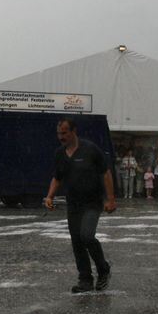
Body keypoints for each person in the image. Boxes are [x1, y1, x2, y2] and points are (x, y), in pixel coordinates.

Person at [44, 118, 117, 293]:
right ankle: (85, 279)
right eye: (58, 133)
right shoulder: (60, 154)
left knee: (87, 236)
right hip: (73, 204)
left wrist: (111, 199)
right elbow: (57, 177)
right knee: (77, 241)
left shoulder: (90, 149)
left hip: (92, 202)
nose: (61, 137)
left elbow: (105, 173)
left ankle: (103, 269)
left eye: (64, 133)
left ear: (74, 131)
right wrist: (49, 196)